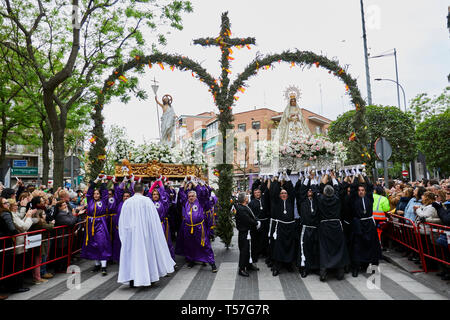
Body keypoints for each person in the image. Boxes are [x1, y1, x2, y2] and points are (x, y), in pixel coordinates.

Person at [118, 183, 176, 288]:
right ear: (143, 191)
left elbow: (122, 222)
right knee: (147, 255)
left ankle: (132, 278)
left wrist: (123, 236)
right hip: (146, 234)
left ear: (133, 190)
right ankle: (150, 277)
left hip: (131, 235)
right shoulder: (147, 201)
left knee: (132, 257)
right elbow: (154, 220)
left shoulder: (127, 203)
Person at [175, 176, 217, 272]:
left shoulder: (200, 202)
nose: (191, 198)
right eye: (189, 196)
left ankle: (212, 263)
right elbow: (181, 191)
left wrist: (194, 182)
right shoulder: (185, 202)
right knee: (190, 245)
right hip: (188, 228)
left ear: (196, 196)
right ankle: (191, 260)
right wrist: (185, 181)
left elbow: (201, 191)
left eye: (192, 196)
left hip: (199, 228)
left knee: (205, 245)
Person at [315, 172, 349, 282]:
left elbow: (317, 189)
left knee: (324, 249)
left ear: (324, 193)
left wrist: (322, 179)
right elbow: (338, 189)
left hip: (325, 226)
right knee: (338, 248)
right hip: (336, 226)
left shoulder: (320, 199)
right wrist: (334, 178)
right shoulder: (337, 199)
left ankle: (323, 272)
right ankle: (340, 272)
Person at [349, 174, 381, 278]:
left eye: (363, 190)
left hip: (369, 225)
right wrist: (355, 176)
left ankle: (373, 266)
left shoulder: (369, 198)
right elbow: (353, 189)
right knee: (357, 246)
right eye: (359, 190)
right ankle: (356, 268)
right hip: (359, 224)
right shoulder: (354, 199)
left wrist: (365, 175)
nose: (361, 192)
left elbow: (370, 186)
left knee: (372, 245)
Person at [267, 172, 297, 276]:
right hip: (280, 227)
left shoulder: (290, 200)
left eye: (285, 193)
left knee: (289, 246)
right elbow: (273, 192)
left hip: (290, 227)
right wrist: (277, 180)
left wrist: (287, 178)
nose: (283, 195)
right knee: (278, 247)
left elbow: (292, 191)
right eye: (282, 193)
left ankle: (288, 264)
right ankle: (276, 267)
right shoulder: (276, 201)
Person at [81, 176, 112, 276]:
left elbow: (105, 193)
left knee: (102, 243)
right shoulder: (89, 200)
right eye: (94, 193)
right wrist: (96, 180)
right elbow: (89, 190)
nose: (95, 195)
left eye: (97, 193)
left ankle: (104, 266)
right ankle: (97, 264)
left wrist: (103, 182)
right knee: (92, 243)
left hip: (101, 224)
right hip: (90, 224)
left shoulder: (103, 201)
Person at [0, 197, 29, 294]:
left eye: (7, 202)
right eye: (5, 203)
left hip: (4, 243)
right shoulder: (6, 213)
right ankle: (12, 288)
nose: (7, 204)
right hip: (6, 243)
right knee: (8, 267)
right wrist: (16, 233)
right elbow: (12, 228)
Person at [295, 171, 320, 278]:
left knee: (315, 248)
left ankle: (315, 267)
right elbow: (302, 190)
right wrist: (308, 178)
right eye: (308, 190)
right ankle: (304, 268)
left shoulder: (317, 201)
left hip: (315, 228)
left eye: (311, 190)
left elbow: (316, 190)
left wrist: (313, 180)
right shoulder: (302, 201)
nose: (310, 191)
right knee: (304, 248)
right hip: (305, 228)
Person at [147, 177, 175, 260]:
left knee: (167, 243)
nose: (155, 195)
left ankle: (171, 260)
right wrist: (155, 183)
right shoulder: (150, 202)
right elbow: (148, 193)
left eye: (157, 194)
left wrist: (160, 182)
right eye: (154, 194)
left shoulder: (163, 203)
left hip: (163, 225)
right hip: (152, 226)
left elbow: (163, 194)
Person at [235, 192, 260, 277]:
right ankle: (241, 269)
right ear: (244, 199)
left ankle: (249, 265)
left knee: (250, 249)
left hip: (249, 232)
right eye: (246, 197)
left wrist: (256, 220)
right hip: (244, 233)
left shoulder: (245, 206)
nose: (248, 197)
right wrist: (256, 223)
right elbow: (247, 219)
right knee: (244, 251)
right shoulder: (241, 208)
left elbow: (252, 216)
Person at [248, 183, 270, 263]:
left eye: (259, 193)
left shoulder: (264, 200)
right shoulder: (251, 203)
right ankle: (256, 254)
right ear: (254, 194)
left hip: (266, 222)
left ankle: (265, 253)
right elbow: (251, 214)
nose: (257, 194)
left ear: (261, 193)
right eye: (256, 193)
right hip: (257, 223)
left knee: (265, 239)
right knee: (257, 239)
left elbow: (267, 191)